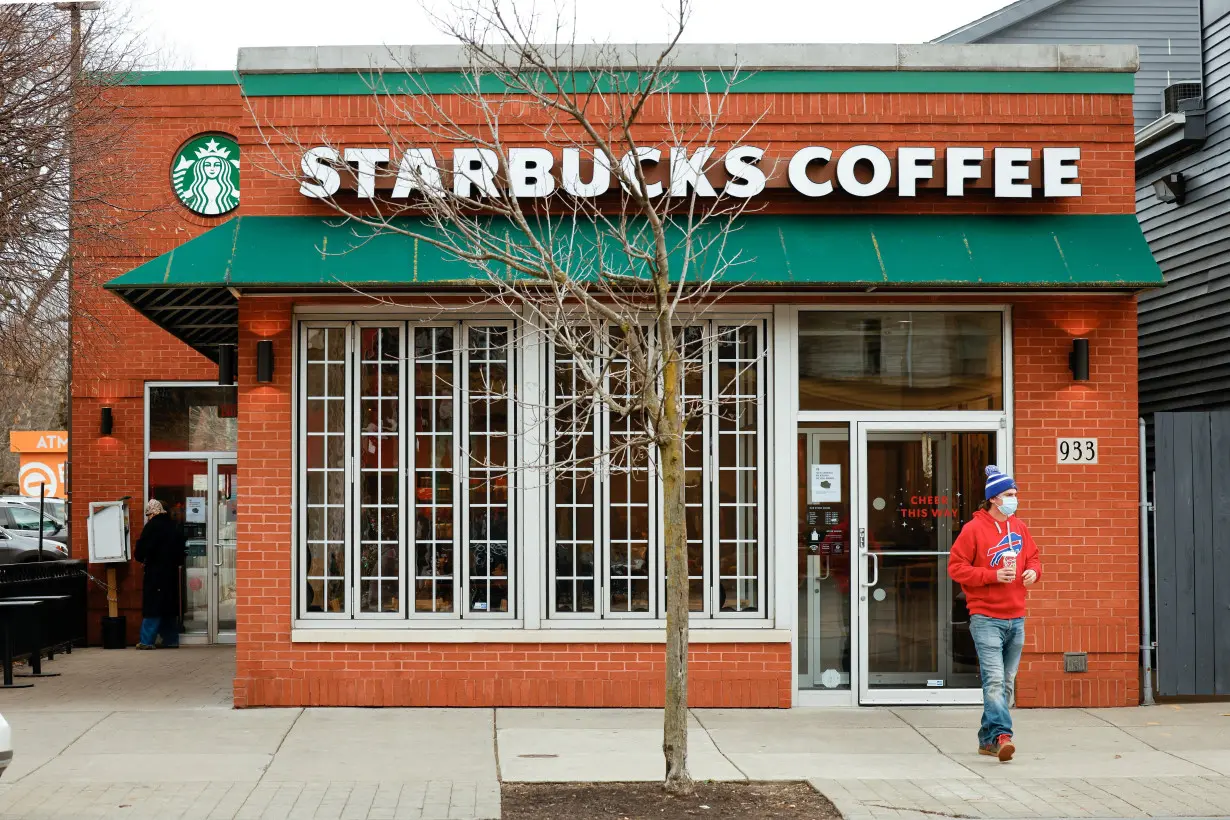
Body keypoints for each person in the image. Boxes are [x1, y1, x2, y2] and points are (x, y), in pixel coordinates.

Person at [947, 465, 1042, 763]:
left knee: (1007, 681)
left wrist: (1032, 572)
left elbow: (1036, 559)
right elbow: (956, 567)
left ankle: (986, 741)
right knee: (995, 681)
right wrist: (992, 575)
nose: (1015, 499)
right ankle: (1003, 735)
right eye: (1009, 494)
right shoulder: (973, 530)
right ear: (994, 499)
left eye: (1015, 493)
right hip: (986, 617)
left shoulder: (1020, 528)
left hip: (1017, 616)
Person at [134, 499, 186, 649]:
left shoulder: (152, 527)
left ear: (152, 512)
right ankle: (171, 639)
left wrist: (143, 557)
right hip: (171, 573)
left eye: (148, 513)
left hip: (155, 573)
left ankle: (146, 641)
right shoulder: (173, 526)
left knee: (154, 606)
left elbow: (142, 550)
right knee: (168, 607)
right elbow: (180, 552)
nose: (148, 516)